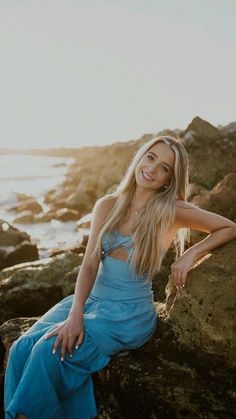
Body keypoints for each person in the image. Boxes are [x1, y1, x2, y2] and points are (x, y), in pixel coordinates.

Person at [4, 135, 236, 419]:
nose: (152, 168)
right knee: (21, 347)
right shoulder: (106, 205)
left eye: (164, 168)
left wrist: (190, 254)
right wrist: (76, 314)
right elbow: (89, 264)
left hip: (127, 314)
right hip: (91, 301)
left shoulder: (171, 211)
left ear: (169, 179)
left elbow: (228, 227)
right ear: (140, 156)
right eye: (151, 157)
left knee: (48, 352)